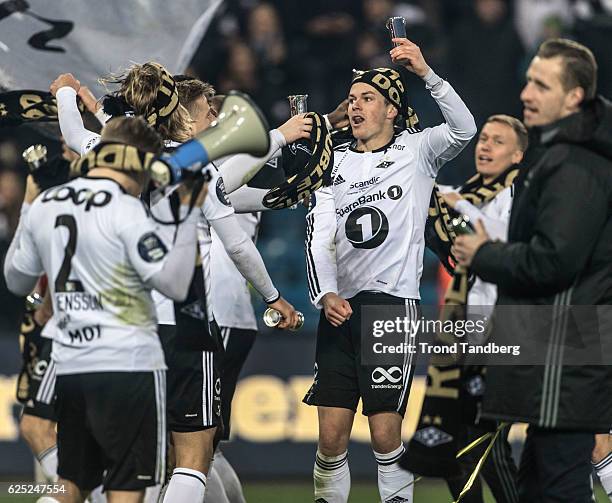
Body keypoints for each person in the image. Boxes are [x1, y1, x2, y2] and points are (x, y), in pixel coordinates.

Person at [303, 37, 476, 503]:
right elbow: (319, 237)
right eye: (352, 100)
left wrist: (426, 73)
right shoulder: (332, 164)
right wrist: (324, 294)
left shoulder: (417, 152)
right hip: (339, 310)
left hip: (392, 308)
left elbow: (464, 128)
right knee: (331, 438)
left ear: (392, 110)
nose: (356, 107)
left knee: (384, 435)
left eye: (367, 99)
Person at [4, 116, 207, 503]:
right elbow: (175, 285)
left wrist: (30, 207)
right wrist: (188, 214)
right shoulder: (126, 210)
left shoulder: (48, 202)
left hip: (71, 367)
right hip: (128, 368)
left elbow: (15, 280)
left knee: (72, 486)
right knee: (125, 492)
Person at [453, 38, 612, 502]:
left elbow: (554, 260)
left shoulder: (576, 165)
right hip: (555, 350)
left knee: (556, 488)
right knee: (539, 486)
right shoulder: (560, 154)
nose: (526, 93)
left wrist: (484, 254)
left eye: (542, 85)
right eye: (528, 80)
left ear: (574, 97)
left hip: (564, 353)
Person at [404, 115, 528, 503]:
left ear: (518, 155)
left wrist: (464, 213)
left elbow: (521, 254)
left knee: (484, 443)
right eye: (484, 138)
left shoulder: (523, 199)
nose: (485, 146)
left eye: (498, 141)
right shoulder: (460, 197)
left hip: (507, 333)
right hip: (463, 336)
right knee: (451, 445)